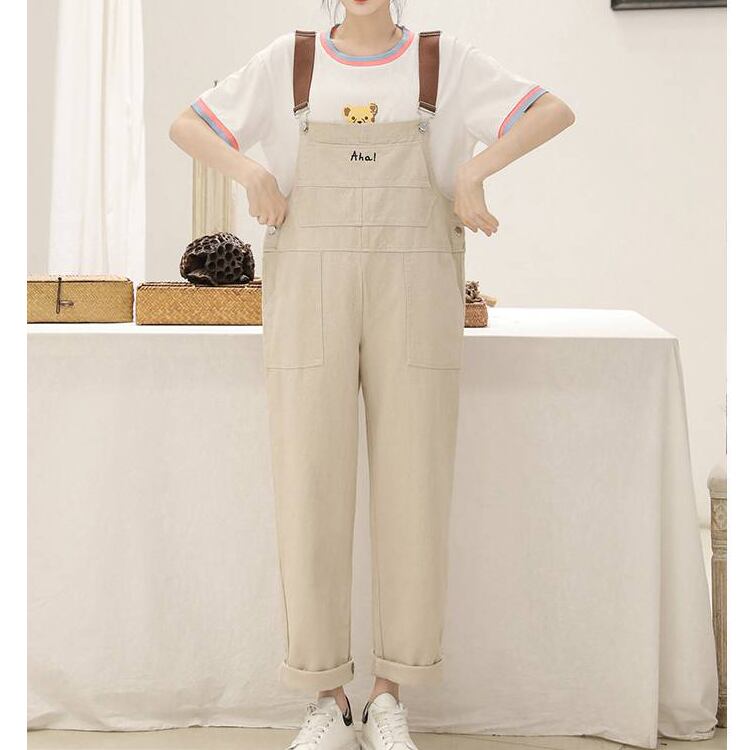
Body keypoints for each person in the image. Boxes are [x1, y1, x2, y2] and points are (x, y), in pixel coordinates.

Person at [170, 1, 574, 748]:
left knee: (415, 484)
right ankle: (325, 699)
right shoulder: (291, 61)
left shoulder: (441, 62)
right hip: (309, 292)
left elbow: (553, 111)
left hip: (416, 291)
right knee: (309, 482)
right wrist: (250, 170)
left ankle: (389, 696)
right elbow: (188, 124)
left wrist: (475, 169)